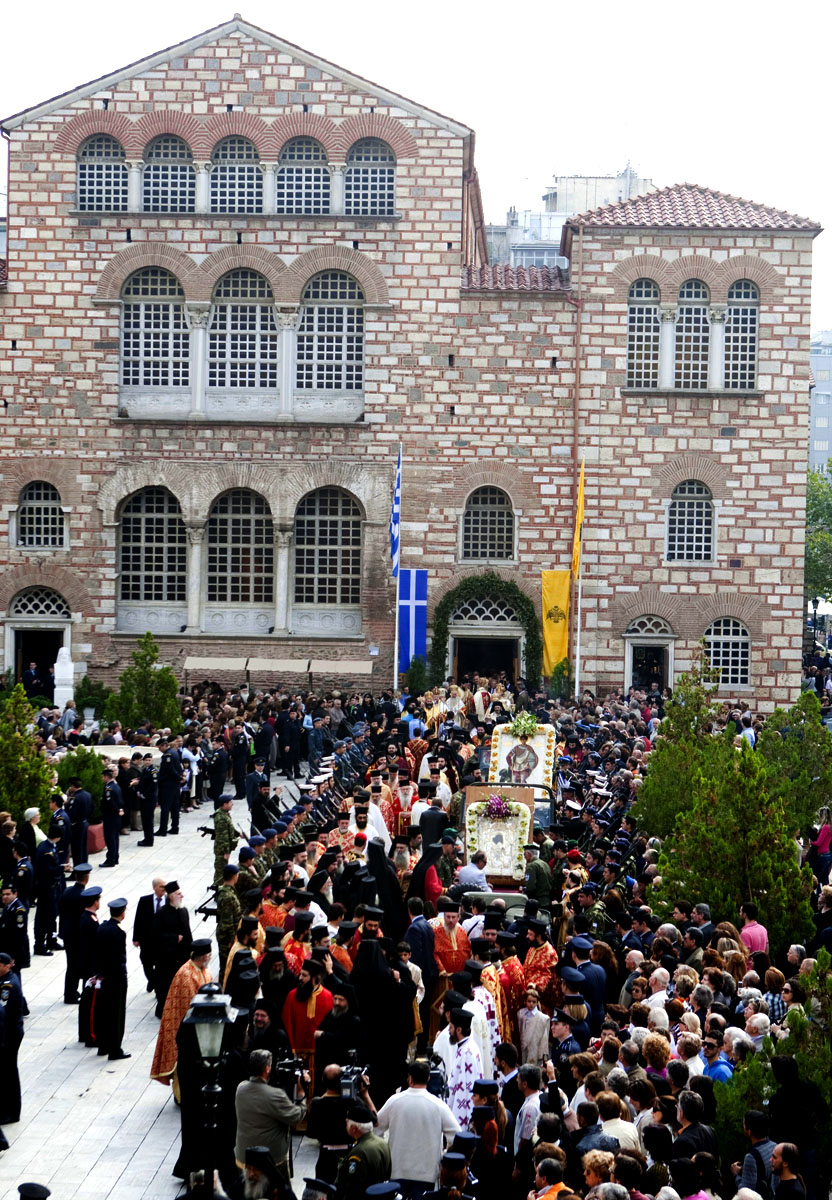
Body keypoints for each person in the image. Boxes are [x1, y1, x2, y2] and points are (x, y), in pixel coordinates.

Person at [374, 1058, 461, 1196]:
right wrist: (444, 1155)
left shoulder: (394, 1101)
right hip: (427, 1173)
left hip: (397, 1170)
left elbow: (375, 1129)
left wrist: (386, 1153)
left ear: (409, 1078)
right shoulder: (438, 1105)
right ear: (428, 1078)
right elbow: (456, 1135)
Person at [234, 1048, 309, 1184]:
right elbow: (296, 1117)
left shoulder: (241, 1088)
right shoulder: (274, 1095)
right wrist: (302, 1094)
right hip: (271, 1161)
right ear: (267, 1069)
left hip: (243, 1157)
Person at [150, 938, 213, 1085]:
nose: (210, 958)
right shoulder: (186, 975)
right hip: (185, 1028)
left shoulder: (204, 970)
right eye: (209, 955)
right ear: (204, 957)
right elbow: (189, 1006)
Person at [94, 897, 130, 1060]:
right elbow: (120, 959)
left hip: (104, 977)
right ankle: (115, 1049)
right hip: (116, 979)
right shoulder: (119, 932)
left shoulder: (102, 928)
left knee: (104, 1013)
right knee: (117, 1015)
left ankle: (103, 1045)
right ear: (122, 913)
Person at [335, 1101, 392, 1199]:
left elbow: (354, 1187)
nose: (345, 1123)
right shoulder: (382, 1143)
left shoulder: (359, 1153)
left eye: (347, 1121)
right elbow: (388, 1172)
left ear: (354, 1128)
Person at [153, 879, 192, 1018]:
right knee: (166, 986)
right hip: (167, 958)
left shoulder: (183, 911)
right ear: (171, 897)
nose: (181, 896)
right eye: (178, 894)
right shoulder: (162, 913)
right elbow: (157, 935)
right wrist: (174, 938)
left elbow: (188, 933)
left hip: (182, 956)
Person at [0, 951, 27, 1125]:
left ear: (7, 965)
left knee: (8, 1071)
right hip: (7, 1030)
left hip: (9, 1033)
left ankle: (11, 1112)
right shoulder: (5, 980)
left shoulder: (8, 985)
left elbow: (4, 1012)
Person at [58, 862, 92, 1004]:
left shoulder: (68, 891)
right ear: (86, 878)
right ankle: (71, 994)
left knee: (71, 964)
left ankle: (71, 991)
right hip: (77, 936)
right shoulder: (83, 896)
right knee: (76, 965)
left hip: (67, 933)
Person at [446, 1008, 483, 1126]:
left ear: (459, 1030)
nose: (449, 1031)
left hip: (463, 1116)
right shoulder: (467, 1047)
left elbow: (467, 1090)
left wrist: (465, 1123)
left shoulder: (467, 1053)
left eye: (451, 1027)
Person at [132, 876, 166, 994]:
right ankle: (153, 980)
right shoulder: (144, 901)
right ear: (154, 888)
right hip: (147, 940)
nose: (164, 889)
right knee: (146, 962)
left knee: (160, 965)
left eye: (164, 886)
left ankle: (157, 985)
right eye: (161, 886)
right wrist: (136, 938)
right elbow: (138, 919)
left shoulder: (169, 901)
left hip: (162, 941)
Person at [731, 1110, 776, 1199]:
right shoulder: (775, 1146)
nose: (743, 1126)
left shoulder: (751, 1157)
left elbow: (746, 1192)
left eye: (744, 1124)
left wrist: (736, 1175)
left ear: (750, 1131)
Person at [99, 767, 124, 867]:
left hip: (110, 816)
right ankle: (115, 857)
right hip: (116, 816)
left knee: (110, 838)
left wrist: (117, 810)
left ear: (106, 777)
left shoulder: (109, 788)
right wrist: (120, 809)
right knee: (115, 837)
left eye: (103, 777)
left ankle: (110, 859)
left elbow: (110, 802)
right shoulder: (116, 785)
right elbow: (120, 800)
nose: (102, 778)